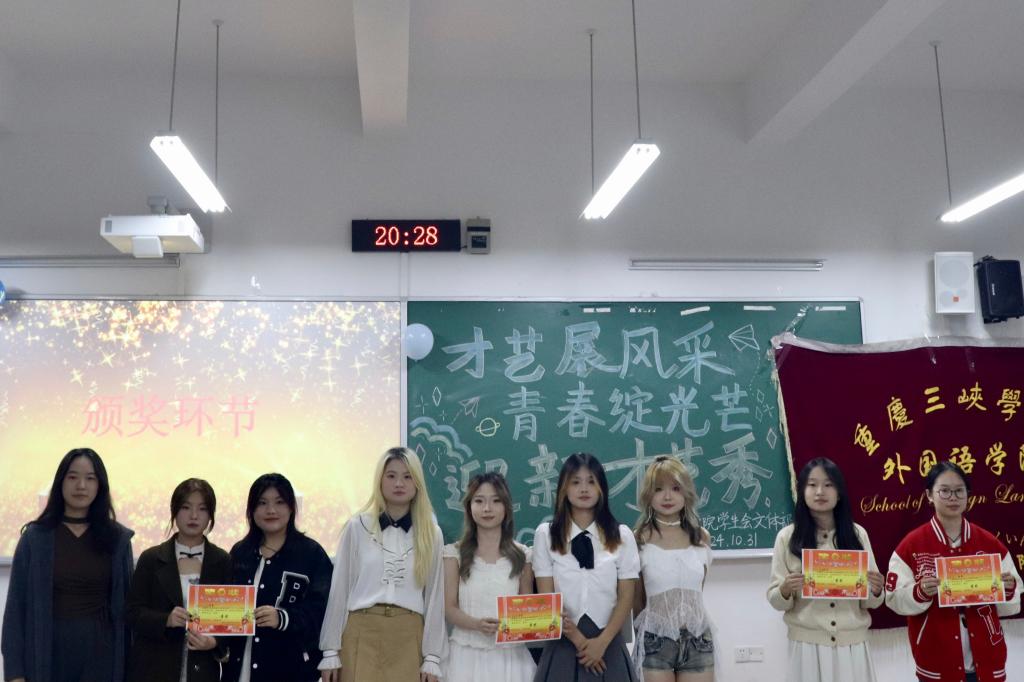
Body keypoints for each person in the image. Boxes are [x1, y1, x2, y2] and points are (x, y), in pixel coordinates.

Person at [1, 447, 135, 682]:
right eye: (73, 477)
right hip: (47, 654)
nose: (81, 485)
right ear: (60, 483)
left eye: (90, 478)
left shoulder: (117, 539)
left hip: (102, 657)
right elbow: (15, 612)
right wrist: (15, 674)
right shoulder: (35, 538)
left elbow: (128, 611)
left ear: (100, 486)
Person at [319, 447, 445, 682]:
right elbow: (340, 589)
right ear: (379, 480)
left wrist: (432, 656)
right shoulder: (357, 527)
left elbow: (435, 597)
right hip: (361, 630)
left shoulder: (431, 533)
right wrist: (330, 651)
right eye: (391, 476)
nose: (399, 483)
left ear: (417, 483)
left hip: (409, 634)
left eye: (407, 477)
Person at [886, 461, 1021, 682]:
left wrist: (1008, 589)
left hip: (988, 659)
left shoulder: (989, 543)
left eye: (959, 491)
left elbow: (1012, 604)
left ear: (968, 495)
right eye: (945, 491)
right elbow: (893, 599)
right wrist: (920, 592)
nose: (953, 497)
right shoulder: (912, 545)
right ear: (929, 495)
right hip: (936, 659)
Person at [766, 457, 885, 682]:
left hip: (852, 646)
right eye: (812, 484)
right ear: (802, 491)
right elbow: (775, 599)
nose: (820, 491)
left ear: (839, 493)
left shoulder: (857, 535)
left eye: (828, 484)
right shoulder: (787, 537)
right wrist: (784, 589)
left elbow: (870, 601)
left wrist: (877, 590)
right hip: (807, 647)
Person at [531, 452, 640, 682]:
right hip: (563, 644)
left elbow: (626, 597)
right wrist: (580, 641)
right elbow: (547, 599)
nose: (584, 489)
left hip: (608, 644)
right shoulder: (546, 535)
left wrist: (601, 643)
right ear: (564, 488)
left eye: (591, 481)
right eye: (576, 482)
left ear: (602, 488)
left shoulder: (622, 535)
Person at [225, 473, 333, 682]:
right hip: (241, 668)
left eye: (279, 502)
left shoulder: (311, 554)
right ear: (251, 510)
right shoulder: (240, 552)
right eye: (262, 503)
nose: (271, 510)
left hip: (292, 669)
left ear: (292, 507)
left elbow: (325, 610)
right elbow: (226, 606)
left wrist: (283, 618)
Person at [126, 478, 232, 682]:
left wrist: (214, 642)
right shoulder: (151, 558)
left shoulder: (223, 561)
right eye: (186, 507)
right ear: (174, 511)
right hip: (154, 668)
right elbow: (132, 612)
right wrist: (166, 619)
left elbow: (230, 621)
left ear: (211, 515)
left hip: (202, 670)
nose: (194, 516)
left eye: (202, 509)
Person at [443, 472, 535, 682]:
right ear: (469, 507)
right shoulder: (453, 554)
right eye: (479, 501)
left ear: (506, 507)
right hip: (465, 656)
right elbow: (449, 608)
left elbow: (527, 608)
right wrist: (477, 624)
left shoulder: (523, 555)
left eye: (496, 501)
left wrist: (548, 618)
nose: (487, 508)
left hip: (510, 659)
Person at [632, 456, 715, 682]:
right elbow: (636, 600)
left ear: (686, 492)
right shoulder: (638, 538)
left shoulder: (701, 537)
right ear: (648, 494)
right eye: (659, 489)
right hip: (655, 639)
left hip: (698, 638)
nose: (667, 497)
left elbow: (698, 590)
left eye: (676, 488)